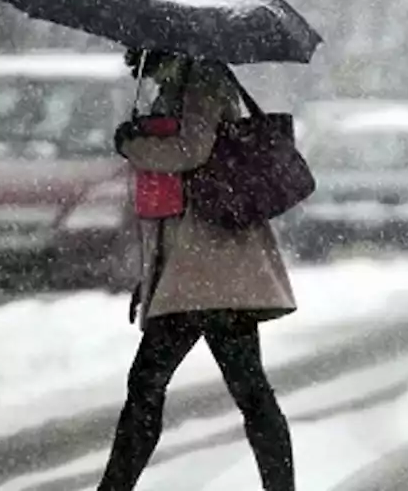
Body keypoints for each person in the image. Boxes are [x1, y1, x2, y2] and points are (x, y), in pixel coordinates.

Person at [97, 48, 297, 491]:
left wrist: (132, 144)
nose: (130, 51)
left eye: (137, 40)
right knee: (246, 391)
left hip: (210, 272)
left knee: (150, 386)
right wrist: (152, 276)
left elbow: (191, 150)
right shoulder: (178, 80)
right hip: (198, 274)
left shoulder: (202, 76)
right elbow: (172, 199)